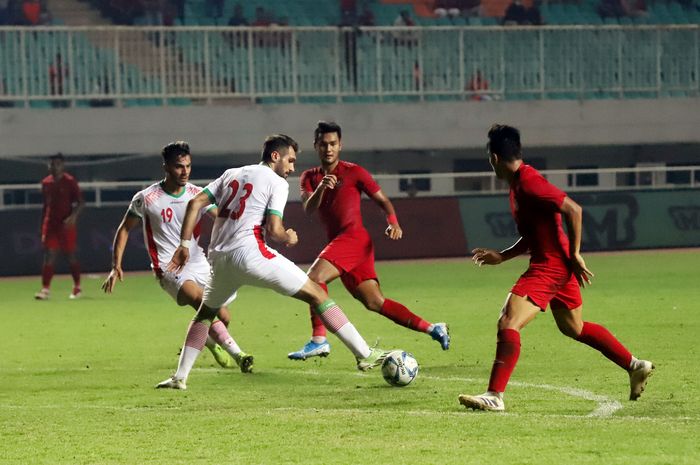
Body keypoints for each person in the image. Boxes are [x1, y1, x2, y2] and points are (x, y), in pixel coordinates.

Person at [157, 134, 393, 390]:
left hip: (220, 260)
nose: (292, 168)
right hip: (250, 253)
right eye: (290, 161)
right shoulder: (277, 182)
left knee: (204, 315)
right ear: (275, 156)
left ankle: (180, 377)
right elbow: (274, 229)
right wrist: (288, 236)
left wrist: (183, 245)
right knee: (317, 293)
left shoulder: (231, 173)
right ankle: (363, 354)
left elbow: (194, 203)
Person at [458, 124, 654, 412]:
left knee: (508, 322)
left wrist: (575, 253)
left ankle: (495, 395)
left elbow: (573, 209)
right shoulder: (519, 185)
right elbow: (533, 234)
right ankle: (634, 365)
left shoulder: (528, 182)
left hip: (550, 265)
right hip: (557, 264)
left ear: (495, 158)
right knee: (573, 327)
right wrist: (503, 256)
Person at [287, 121, 450, 361]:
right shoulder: (310, 177)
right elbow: (309, 209)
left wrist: (393, 222)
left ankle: (319, 340)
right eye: (323, 144)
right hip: (344, 244)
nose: (328, 149)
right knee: (375, 302)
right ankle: (433, 328)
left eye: (333, 144)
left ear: (340, 145)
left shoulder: (355, 172)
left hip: (354, 239)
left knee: (313, 279)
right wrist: (321, 188)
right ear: (316, 146)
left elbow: (383, 201)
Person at [101, 141, 253, 372]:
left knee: (223, 316)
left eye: (188, 166)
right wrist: (115, 265)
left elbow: (221, 220)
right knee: (201, 302)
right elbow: (124, 228)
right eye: (179, 167)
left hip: (198, 262)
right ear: (166, 167)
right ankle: (240, 355)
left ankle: (209, 343)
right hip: (168, 266)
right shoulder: (146, 198)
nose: (185, 172)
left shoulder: (196, 195)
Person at [35, 153, 84, 300]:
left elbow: (80, 202)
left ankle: (77, 287)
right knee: (49, 255)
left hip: (65, 225)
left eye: (57, 164)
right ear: (48, 166)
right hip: (50, 224)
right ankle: (45, 289)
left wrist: (73, 217)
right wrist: (42, 224)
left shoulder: (70, 181)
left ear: (63, 165)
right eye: (52, 164)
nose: (54, 166)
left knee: (70, 256)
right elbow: (46, 205)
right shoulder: (46, 183)